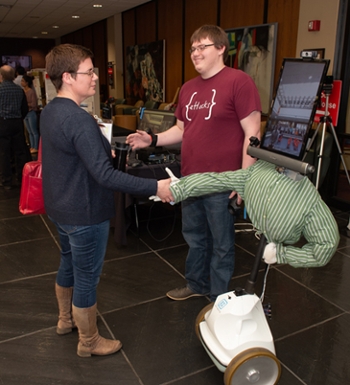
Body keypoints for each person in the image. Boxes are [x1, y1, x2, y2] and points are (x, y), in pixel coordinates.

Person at [40, 44, 173, 358]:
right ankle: (88, 342)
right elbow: (106, 177)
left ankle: (64, 321)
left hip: (60, 207)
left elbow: (71, 157)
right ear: (69, 77)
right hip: (84, 212)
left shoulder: (51, 111)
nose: (96, 78)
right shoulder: (78, 120)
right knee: (87, 276)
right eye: (89, 72)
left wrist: (100, 152)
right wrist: (156, 184)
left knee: (68, 263)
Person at [127, 25, 261, 302]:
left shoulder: (239, 82)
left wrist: (244, 179)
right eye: (193, 48)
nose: (195, 53)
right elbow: (182, 130)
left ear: (221, 48)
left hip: (223, 181)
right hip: (189, 180)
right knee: (195, 238)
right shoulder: (188, 88)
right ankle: (196, 284)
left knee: (222, 244)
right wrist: (151, 138)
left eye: (203, 47)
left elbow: (253, 135)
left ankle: (219, 298)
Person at [163, 160, 340, 268]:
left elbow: (326, 246)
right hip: (259, 177)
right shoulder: (254, 173)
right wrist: (178, 188)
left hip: (285, 218)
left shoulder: (307, 198)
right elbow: (218, 180)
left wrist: (282, 254)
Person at [0, 65, 28, 190]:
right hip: (17, 122)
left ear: (1, 76)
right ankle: (22, 178)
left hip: (3, 123)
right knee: (20, 151)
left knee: (4, 152)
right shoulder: (19, 89)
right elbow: (24, 109)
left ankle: (6, 180)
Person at [21, 74, 40, 154]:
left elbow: (34, 104)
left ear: (27, 82)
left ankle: (36, 147)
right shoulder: (22, 91)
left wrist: (26, 104)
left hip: (31, 112)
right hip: (26, 113)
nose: (21, 83)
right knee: (29, 132)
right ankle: (32, 146)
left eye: (23, 81)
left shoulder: (31, 91)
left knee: (34, 131)